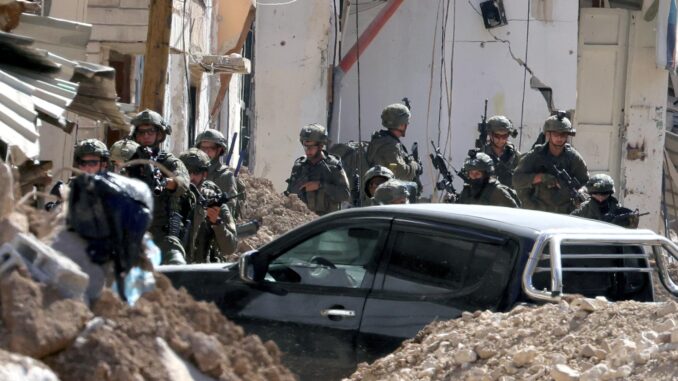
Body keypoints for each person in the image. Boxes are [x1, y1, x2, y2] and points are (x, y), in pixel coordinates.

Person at [126, 109, 190, 265]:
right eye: (142, 132)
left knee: (175, 267)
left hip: (163, 232)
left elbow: (183, 182)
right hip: (135, 230)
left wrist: (169, 182)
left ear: (159, 134)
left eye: (151, 132)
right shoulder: (130, 162)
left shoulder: (169, 161)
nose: (146, 136)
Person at [513, 111, 589, 214]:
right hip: (538, 212)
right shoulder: (536, 155)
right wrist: (540, 177)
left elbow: (586, 182)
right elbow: (517, 179)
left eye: (563, 134)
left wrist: (581, 192)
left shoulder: (573, 157)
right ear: (548, 134)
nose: (559, 138)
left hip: (565, 213)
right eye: (556, 134)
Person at [179, 148, 237, 263]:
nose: (191, 177)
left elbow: (230, 247)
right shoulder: (171, 197)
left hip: (202, 270)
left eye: (196, 172)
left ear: (204, 174)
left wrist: (217, 223)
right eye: (187, 172)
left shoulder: (213, 200)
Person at [285, 123, 350, 215]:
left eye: (311, 147)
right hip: (303, 220)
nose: (308, 150)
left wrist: (320, 185)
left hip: (326, 222)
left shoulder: (333, 166)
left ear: (320, 146)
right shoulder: (299, 166)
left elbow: (345, 194)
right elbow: (289, 194)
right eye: (305, 146)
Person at [194, 130, 243, 219]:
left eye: (210, 148)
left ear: (219, 150)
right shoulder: (193, 172)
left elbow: (229, 212)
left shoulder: (225, 176)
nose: (206, 152)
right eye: (203, 148)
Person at [366, 103, 421, 183]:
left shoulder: (383, 139)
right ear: (402, 125)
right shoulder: (389, 145)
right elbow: (402, 173)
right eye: (406, 123)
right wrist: (415, 166)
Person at [571, 174, 640, 228]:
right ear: (591, 194)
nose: (600, 198)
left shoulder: (617, 209)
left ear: (610, 193)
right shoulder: (583, 210)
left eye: (604, 194)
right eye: (596, 194)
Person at [481, 115, 521, 187]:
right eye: (497, 136)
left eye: (504, 136)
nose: (501, 140)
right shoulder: (482, 154)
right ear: (490, 134)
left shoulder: (513, 153)